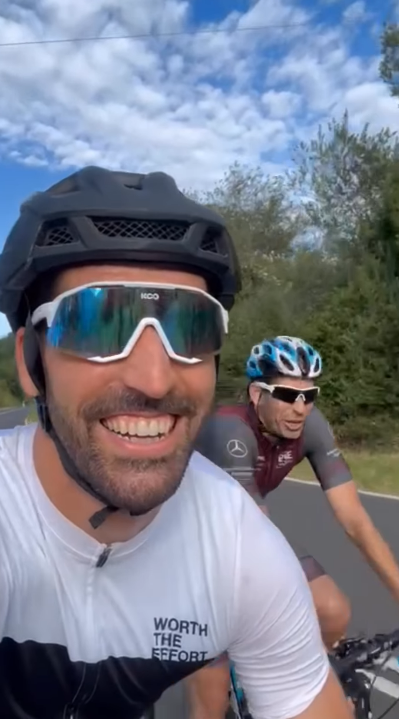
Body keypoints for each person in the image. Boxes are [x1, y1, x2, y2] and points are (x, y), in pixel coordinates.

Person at [0, 167, 354, 719]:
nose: (155, 380)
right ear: (30, 361)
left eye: (190, 328)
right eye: (97, 324)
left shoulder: (239, 545)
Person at [191, 334, 399, 715]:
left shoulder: (311, 427)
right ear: (257, 394)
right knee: (214, 667)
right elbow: (257, 542)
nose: (300, 408)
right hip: (192, 534)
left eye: (310, 395)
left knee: (334, 611)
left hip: (250, 529)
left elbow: (356, 521)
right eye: (288, 395)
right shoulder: (229, 432)